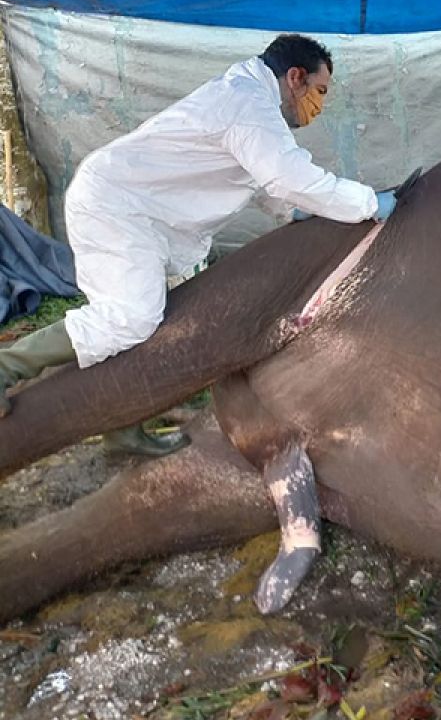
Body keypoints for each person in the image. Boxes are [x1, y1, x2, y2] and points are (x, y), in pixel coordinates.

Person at [0, 34, 397, 454]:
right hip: (117, 205)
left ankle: (120, 430)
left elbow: (256, 175)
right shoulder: (248, 104)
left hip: (134, 208)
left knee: (143, 327)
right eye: (319, 92)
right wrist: (370, 203)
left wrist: (289, 212)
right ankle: (8, 365)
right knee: (130, 318)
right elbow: (287, 175)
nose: (319, 106)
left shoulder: (247, 99)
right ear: (295, 77)